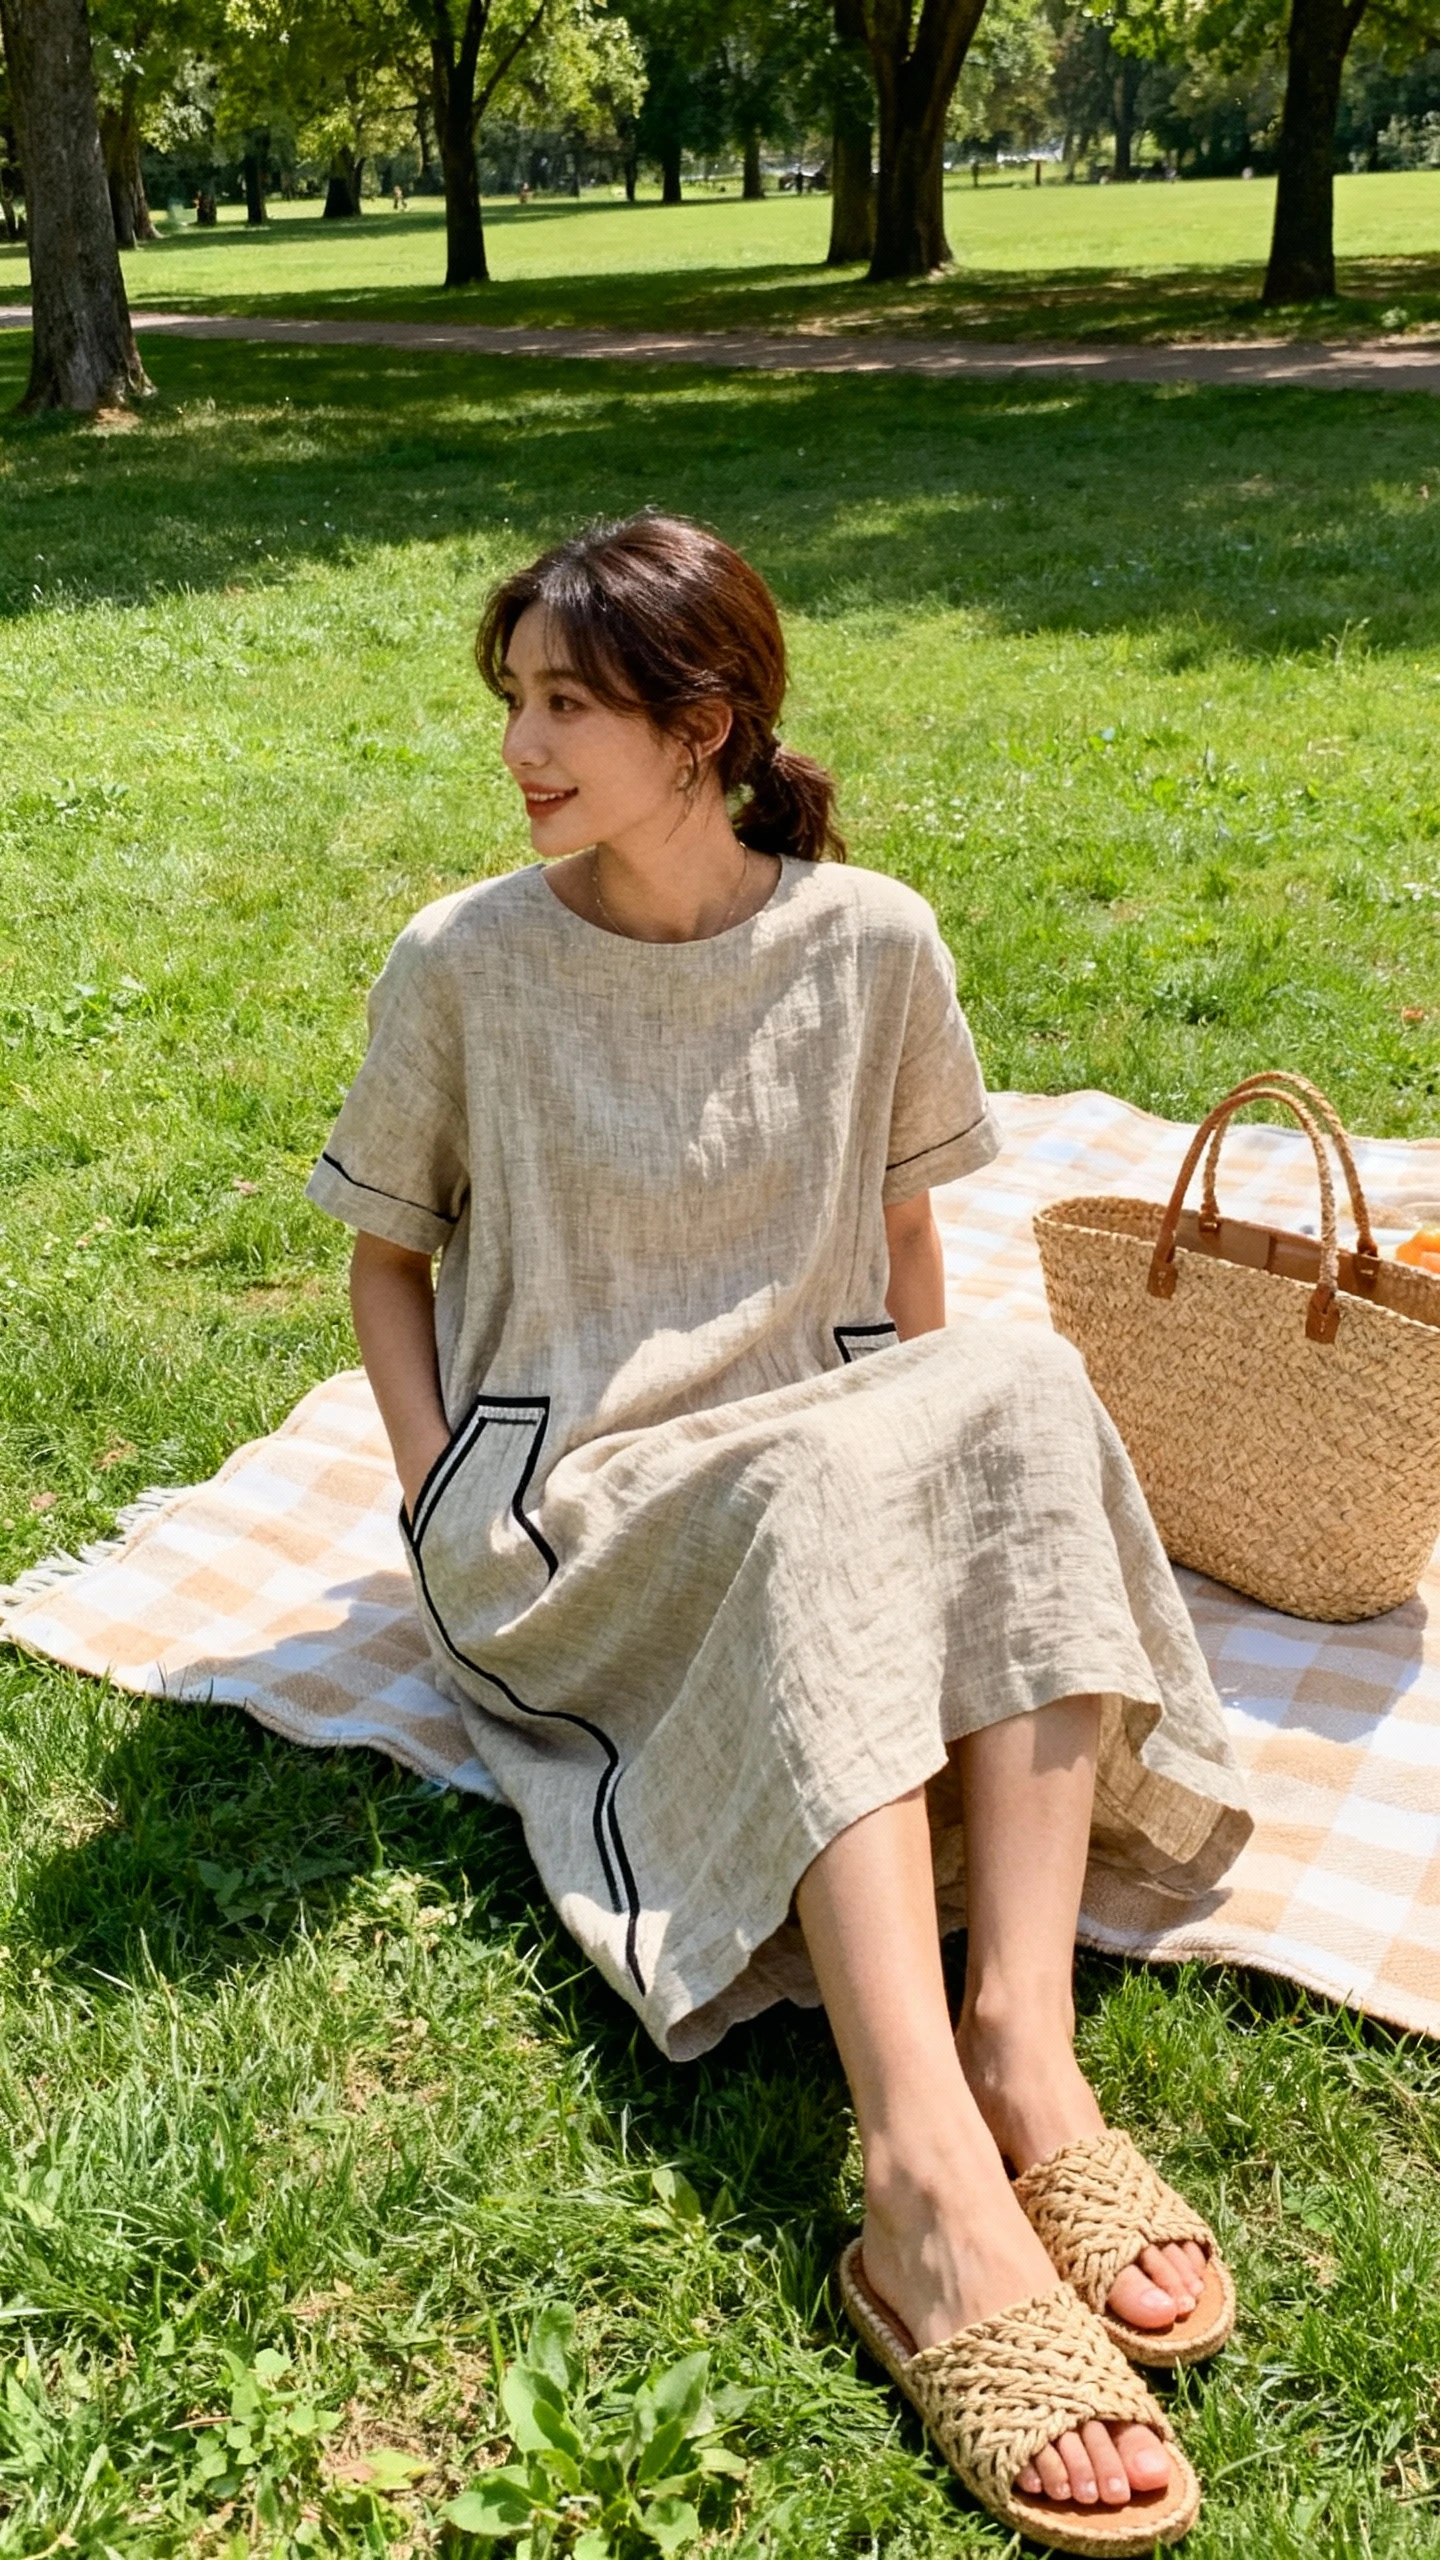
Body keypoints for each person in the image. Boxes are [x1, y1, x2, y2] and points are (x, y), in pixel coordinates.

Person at [307, 513, 1249, 2551]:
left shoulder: (874, 939)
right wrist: (429, 1481)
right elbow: (387, 1262)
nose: (524, 747)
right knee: (845, 1467)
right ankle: (919, 2181)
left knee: (1009, 1381)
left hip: (802, 1446)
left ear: (698, 725)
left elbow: (912, 1248)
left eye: (568, 703)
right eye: (517, 703)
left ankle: (1024, 2050)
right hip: (583, 1509)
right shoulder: (463, 962)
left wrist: (938, 1483)